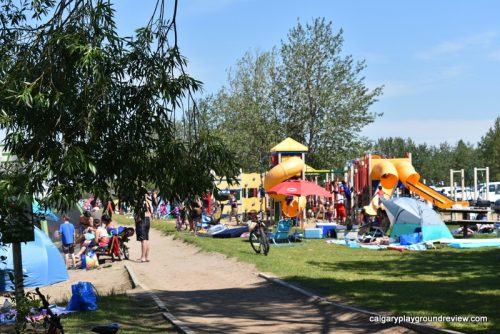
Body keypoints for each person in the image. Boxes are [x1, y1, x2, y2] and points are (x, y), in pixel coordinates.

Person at [135, 192, 153, 262]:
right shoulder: (149, 201)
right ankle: (146, 257)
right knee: (146, 239)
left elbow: (139, 212)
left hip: (142, 220)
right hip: (147, 219)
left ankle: (143, 257)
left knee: (143, 240)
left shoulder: (142, 201)